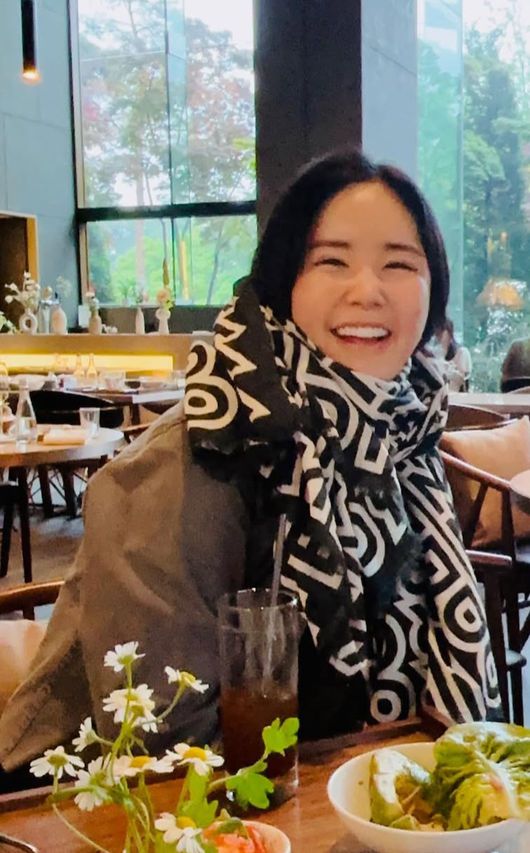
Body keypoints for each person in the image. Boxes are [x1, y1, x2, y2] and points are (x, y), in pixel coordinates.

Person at [0, 149, 501, 781]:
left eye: (399, 264)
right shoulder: (206, 449)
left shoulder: (406, 440)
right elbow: (163, 741)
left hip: (342, 787)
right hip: (98, 805)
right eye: (332, 261)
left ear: (434, 292)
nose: (367, 291)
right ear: (282, 281)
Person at [434, 319, 472, 391]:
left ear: (449, 332)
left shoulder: (462, 352)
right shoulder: (436, 354)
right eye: (437, 333)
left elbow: (462, 378)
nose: (438, 336)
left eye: (441, 332)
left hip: (457, 395)